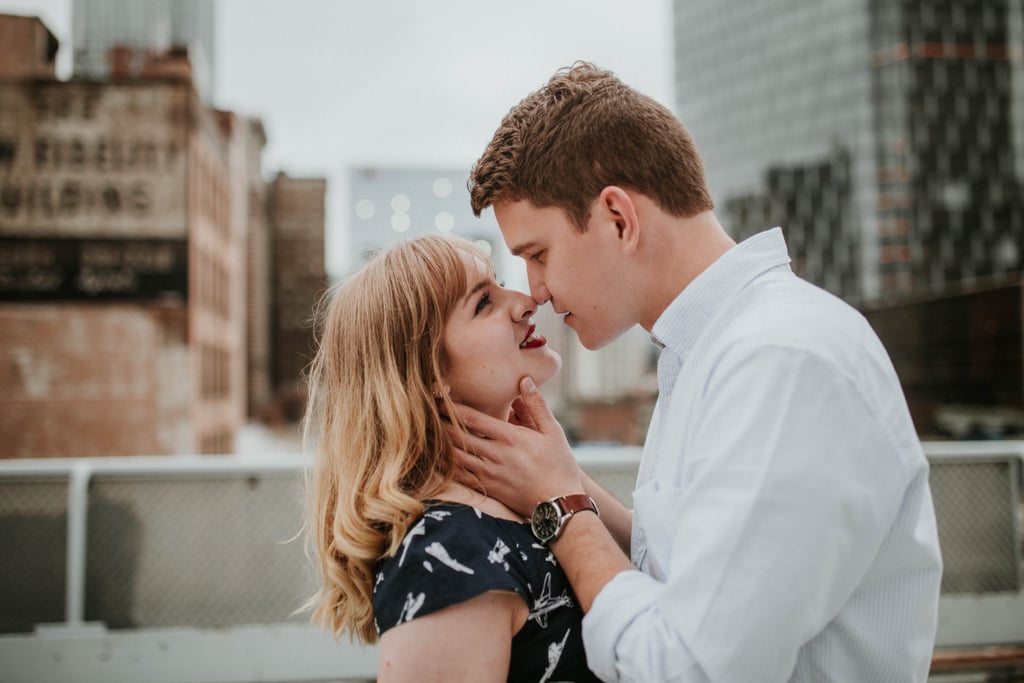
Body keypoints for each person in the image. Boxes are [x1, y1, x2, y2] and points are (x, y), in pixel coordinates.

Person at [449, 62, 943, 682]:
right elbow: (683, 570)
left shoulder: (781, 362)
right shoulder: (709, 352)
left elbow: (690, 668)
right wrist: (562, 477)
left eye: (538, 255)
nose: (537, 291)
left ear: (619, 219)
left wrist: (562, 507)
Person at [302, 234, 602, 682]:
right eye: (483, 303)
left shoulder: (519, 497)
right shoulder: (444, 554)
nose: (525, 301)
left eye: (500, 284)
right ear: (429, 374)